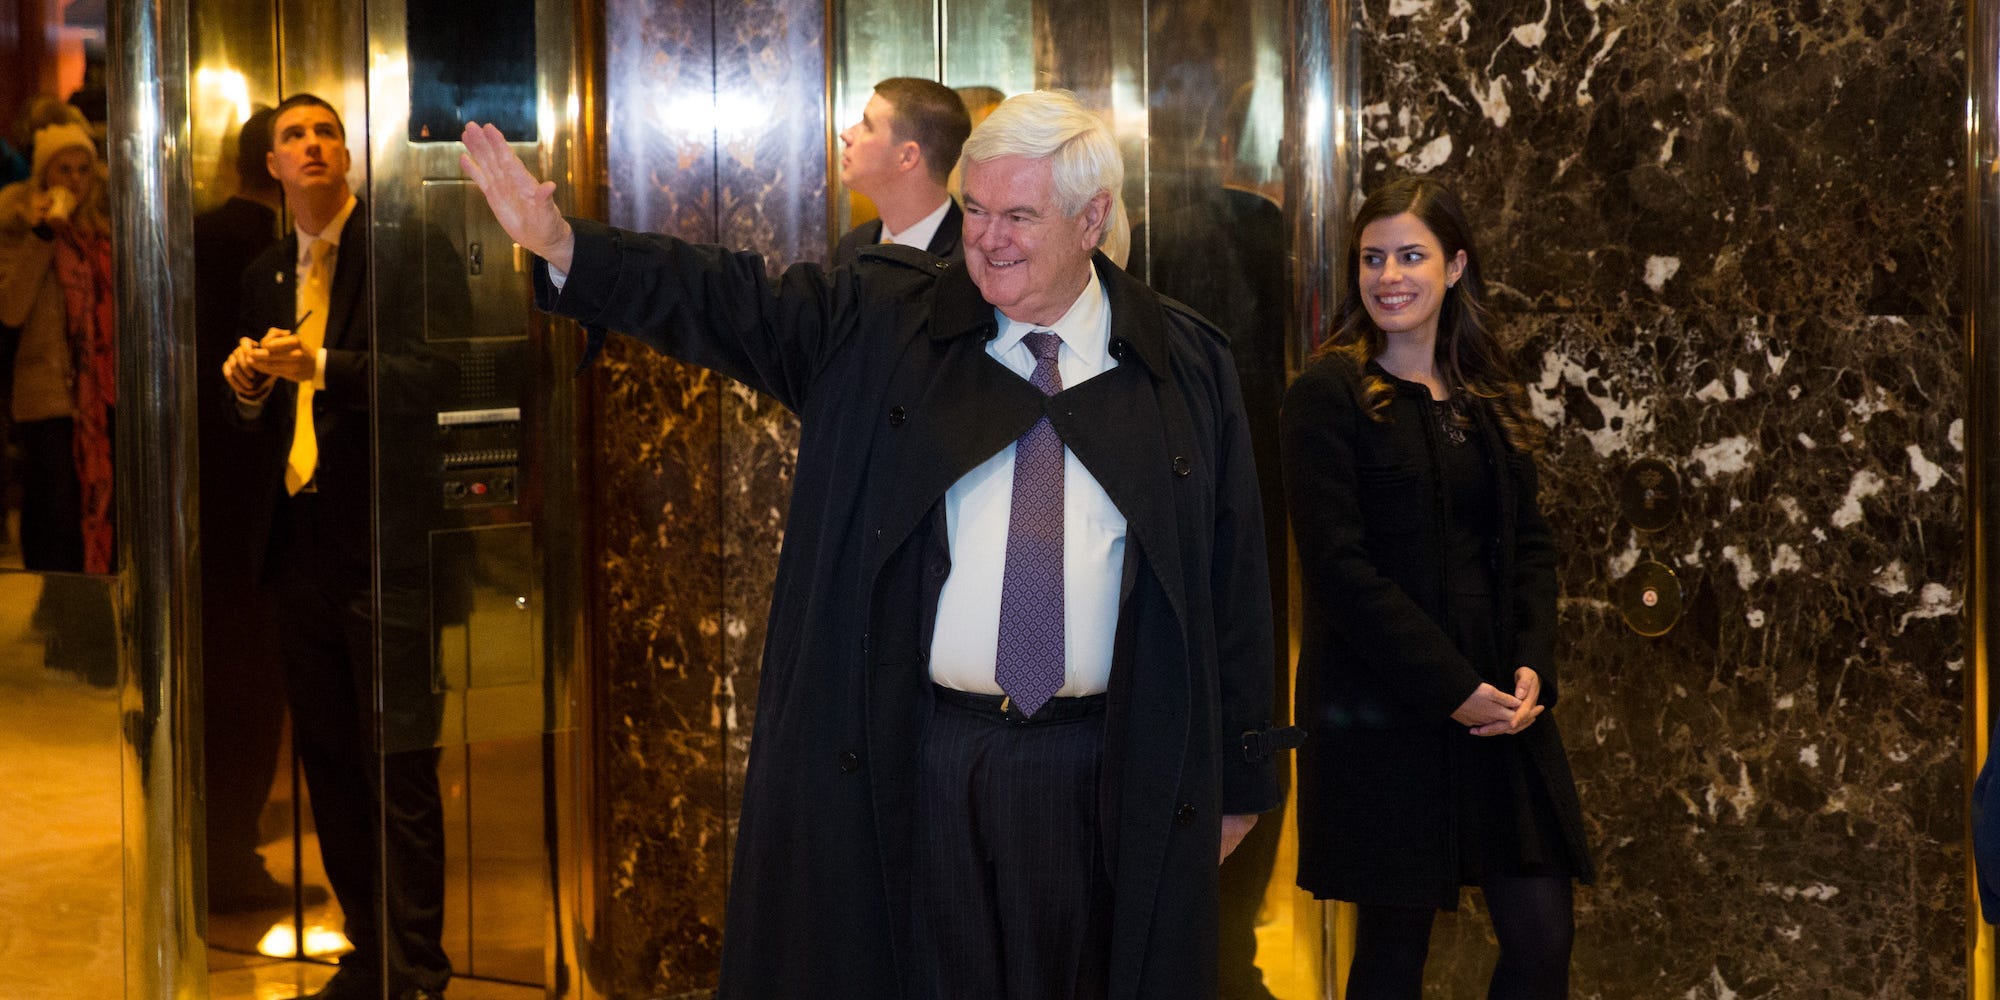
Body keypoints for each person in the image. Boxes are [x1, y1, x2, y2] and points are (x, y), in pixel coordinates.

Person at [460, 88, 1293, 999]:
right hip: (929, 755)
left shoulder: (1183, 365)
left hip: (1104, 765)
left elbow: (1234, 578)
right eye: (975, 209)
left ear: (1093, 217)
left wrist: (1244, 782)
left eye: (1019, 215)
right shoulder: (883, 324)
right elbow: (727, 299)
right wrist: (567, 246)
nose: (988, 238)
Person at [1281, 176, 1592, 998]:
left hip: (1500, 709)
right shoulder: (1328, 394)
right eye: (1372, 258)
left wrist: (1533, 669)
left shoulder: (1489, 395)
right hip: (1388, 712)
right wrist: (1450, 688)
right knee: (1392, 953)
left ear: (1454, 267)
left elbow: (1529, 546)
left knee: (1541, 938)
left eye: (1411, 256)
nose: (1389, 276)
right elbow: (1340, 573)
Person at [220, 93, 455, 1000]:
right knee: (329, 764)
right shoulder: (266, 272)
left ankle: (419, 972)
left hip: (387, 547)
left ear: (347, 156)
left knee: (400, 764)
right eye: (294, 137)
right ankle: (369, 954)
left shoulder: (401, 251)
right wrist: (247, 385)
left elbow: (439, 377)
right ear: (272, 166)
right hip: (299, 550)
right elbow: (255, 426)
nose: (313, 145)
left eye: (326, 132)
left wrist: (326, 367)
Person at [1127, 78, 1290, 1000]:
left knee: (1236, 675)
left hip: (1239, 471)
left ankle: (1226, 939)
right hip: (1218, 476)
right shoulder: (1141, 237)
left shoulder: (1252, 229)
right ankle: (1225, 940)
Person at [195, 105, 316, 914]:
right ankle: (227, 856)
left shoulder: (194, 236)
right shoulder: (263, 256)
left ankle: (216, 846)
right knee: (247, 685)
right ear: (268, 164)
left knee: (224, 679)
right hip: (250, 500)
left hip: (202, 495)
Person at [0, 121, 114, 577]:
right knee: (53, 512)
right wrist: (44, 235)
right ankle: (53, 611)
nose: (74, 179)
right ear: (43, 174)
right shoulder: (16, 226)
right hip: (46, 392)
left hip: (100, 396)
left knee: (99, 504)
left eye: (83, 169)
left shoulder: (101, 233)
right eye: (63, 168)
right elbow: (10, 309)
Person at [832, 77, 971, 267]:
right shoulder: (852, 246)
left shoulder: (973, 259)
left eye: (867, 125)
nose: (846, 134)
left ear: (907, 156)